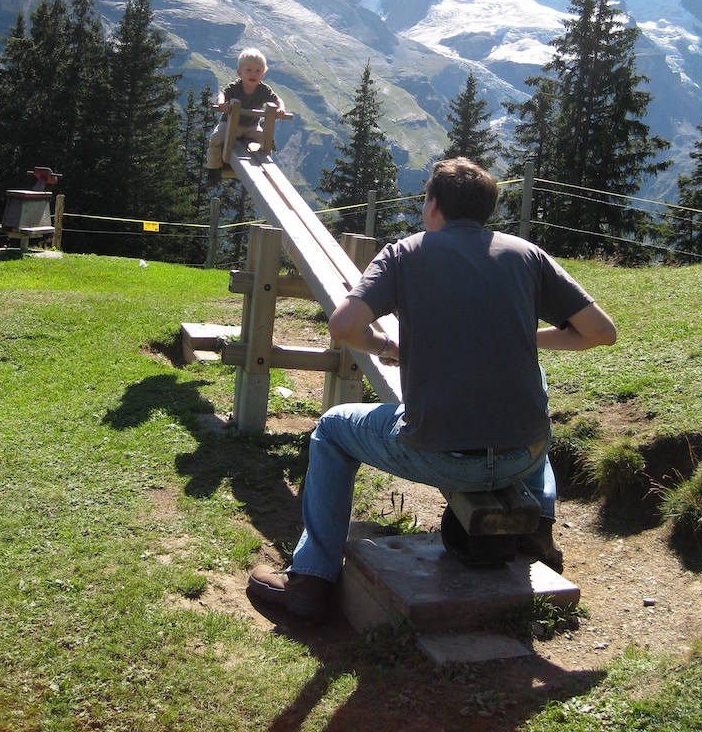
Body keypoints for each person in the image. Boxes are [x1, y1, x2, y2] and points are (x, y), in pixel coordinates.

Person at [248, 157, 616, 621]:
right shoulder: (527, 255)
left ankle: (311, 579)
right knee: (532, 380)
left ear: (434, 205)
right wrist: (525, 338)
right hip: (520, 455)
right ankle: (538, 526)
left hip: (439, 454)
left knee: (332, 429)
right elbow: (602, 332)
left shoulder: (406, 253)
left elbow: (343, 326)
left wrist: (384, 343)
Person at [206, 48, 286, 187]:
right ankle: (213, 171)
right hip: (230, 123)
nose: (253, 74)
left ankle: (265, 168)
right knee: (216, 139)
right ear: (240, 72)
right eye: (249, 70)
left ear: (263, 74)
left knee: (265, 140)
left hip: (251, 126)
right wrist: (222, 104)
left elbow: (278, 100)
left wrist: (280, 109)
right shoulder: (235, 87)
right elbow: (223, 95)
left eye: (257, 70)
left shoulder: (264, 90)